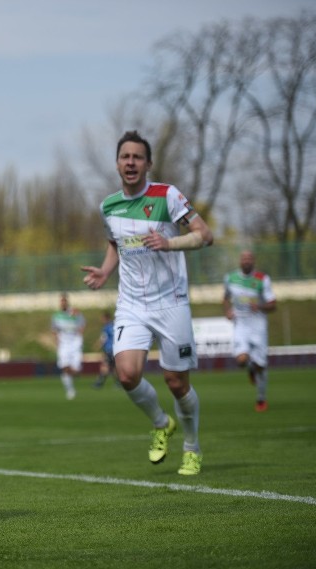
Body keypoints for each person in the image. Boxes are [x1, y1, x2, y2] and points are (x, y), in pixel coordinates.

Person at [81, 130, 214, 476]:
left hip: (171, 302)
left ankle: (192, 447)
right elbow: (116, 243)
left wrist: (169, 244)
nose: (131, 162)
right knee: (126, 374)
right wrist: (105, 272)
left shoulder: (166, 196)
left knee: (176, 383)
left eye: (137, 157)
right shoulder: (108, 205)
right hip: (132, 304)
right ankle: (160, 423)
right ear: (117, 164)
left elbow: (205, 235)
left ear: (148, 164)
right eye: (125, 156)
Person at [223, 250, 277, 412]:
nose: (246, 261)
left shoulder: (262, 279)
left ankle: (261, 398)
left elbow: (273, 304)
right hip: (240, 322)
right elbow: (226, 298)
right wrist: (228, 311)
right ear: (240, 261)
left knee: (261, 365)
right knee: (241, 360)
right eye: (244, 258)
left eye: (249, 258)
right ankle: (250, 368)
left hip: (258, 324)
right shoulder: (230, 278)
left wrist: (259, 306)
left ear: (253, 261)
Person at [51, 293, 85, 400]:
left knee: (76, 370)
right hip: (63, 344)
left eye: (64, 301)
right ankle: (70, 390)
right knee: (64, 367)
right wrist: (56, 341)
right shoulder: (56, 315)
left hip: (75, 343)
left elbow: (82, 324)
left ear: (67, 302)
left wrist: (79, 335)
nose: (63, 303)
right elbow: (54, 330)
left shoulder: (75, 312)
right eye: (61, 301)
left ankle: (73, 375)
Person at [93, 311, 117, 389]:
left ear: (106, 318)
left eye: (102, 318)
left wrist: (97, 346)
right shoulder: (114, 326)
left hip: (109, 350)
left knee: (105, 366)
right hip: (115, 349)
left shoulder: (106, 327)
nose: (101, 320)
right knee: (114, 367)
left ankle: (99, 383)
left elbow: (103, 339)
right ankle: (118, 383)